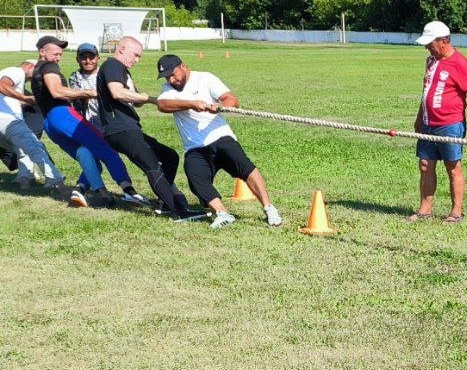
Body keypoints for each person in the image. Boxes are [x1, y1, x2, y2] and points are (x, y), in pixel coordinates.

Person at [154, 54, 282, 229]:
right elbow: (162, 105)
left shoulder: (204, 78)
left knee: (245, 166)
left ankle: (269, 208)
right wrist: (191, 104)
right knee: (194, 177)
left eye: (174, 74)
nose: (171, 79)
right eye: (167, 76)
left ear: (183, 66)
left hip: (220, 136)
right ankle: (222, 213)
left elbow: (232, 99)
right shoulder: (168, 89)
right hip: (195, 147)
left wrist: (220, 106)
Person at [95, 37, 204, 221]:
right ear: (121, 49)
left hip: (129, 129)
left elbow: (134, 100)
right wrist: (150, 98)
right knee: (152, 166)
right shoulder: (113, 65)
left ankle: (166, 202)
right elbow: (117, 92)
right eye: (135, 55)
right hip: (121, 129)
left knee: (169, 157)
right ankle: (178, 212)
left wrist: (153, 100)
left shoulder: (122, 70)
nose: (137, 60)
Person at [29, 35, 142, 209]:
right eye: (55, 53)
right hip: (62, 115)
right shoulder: (49, 66)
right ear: (42, 51)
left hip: (49, 124)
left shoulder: (36, 68)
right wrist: (91, 92)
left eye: (60, 54)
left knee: (86, 154)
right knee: (106, 149)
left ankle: (100, 193)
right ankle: (129, 190)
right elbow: (57, 91)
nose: (59, 57)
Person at [409, 21, 467, 224]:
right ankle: (425, 210)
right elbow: (426, 92)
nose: (427, 47)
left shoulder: (460, 63)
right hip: (428, 123)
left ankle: (456, 212)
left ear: (444, 41)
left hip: (450, 124)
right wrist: (419, 118)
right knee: (425, 165)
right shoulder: (431, 61)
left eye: (430, 43)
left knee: (452, 167)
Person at [0, 59, 67, 192]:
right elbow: (2, 86)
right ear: (30, 66)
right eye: (33, 75)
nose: (32, 79)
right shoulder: (16, 71)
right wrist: (26, 98)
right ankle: (55, 180)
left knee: (22, 150)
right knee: (36, 147)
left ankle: (24, 180)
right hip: (8, 121)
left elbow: (8, 100)